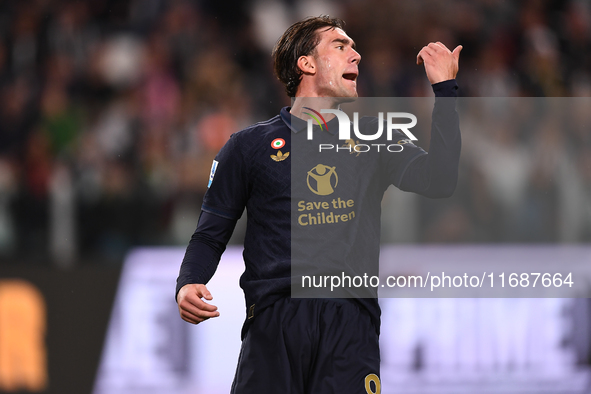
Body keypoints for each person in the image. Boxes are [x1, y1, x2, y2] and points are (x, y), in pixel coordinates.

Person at [176, 16, 461, 393]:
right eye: (340, 46)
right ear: (306, 64)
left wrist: (446, 91)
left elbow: (440, 180)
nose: (356, 55)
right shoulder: (247, 147)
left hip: (350, 323)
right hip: (274, 322)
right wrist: (189, 281)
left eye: (354, 47)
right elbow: (210, 234)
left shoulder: (375, 139)